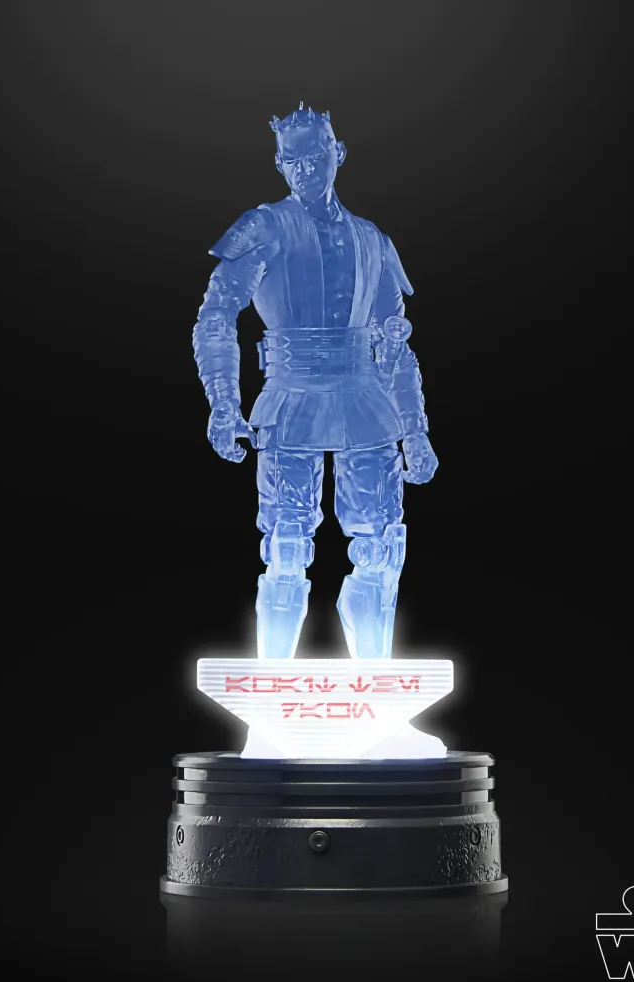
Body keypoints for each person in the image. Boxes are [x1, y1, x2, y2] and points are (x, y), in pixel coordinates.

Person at [191, 103, 438, 660]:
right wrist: (223, 402)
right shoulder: (265, 227)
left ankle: (371, 670)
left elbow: (395, 344)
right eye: (293, 160)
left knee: (379, 547)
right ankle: (274, 673)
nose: (305, 169)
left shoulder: (372, 239)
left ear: (338, 153)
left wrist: (416, 430)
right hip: (290, 399)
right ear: (280, 165)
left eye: (316, 155)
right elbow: (216, 316)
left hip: (364, 400)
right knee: (285, 547)